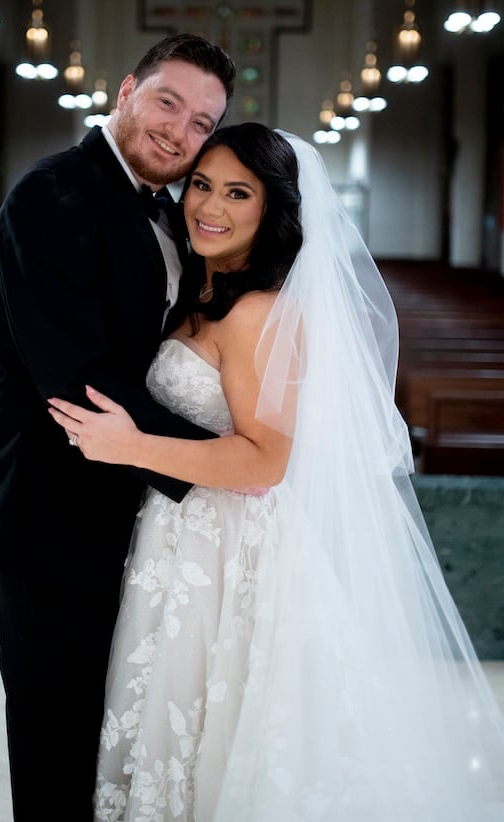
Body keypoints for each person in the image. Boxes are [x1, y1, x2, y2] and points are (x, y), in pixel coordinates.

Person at [48, 123, 504, 821]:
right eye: (202, 185)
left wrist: (129, 445)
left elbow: (265, 459)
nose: (211, 206)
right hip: (182, 540)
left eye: (239, 193)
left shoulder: (258, 314)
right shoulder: (202, 298)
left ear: (275, 213)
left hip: (231, 552)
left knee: (226, 735)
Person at [0, 33, 236, 821]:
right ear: (126, 91)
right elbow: (78, 384)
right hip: (52, 518)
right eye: (167, 103)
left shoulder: (175, 209)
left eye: (200, 124)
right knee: (57, 744)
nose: (179, 132)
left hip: (139, 520)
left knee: (120, 740)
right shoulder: (52, 195)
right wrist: (226, 461)